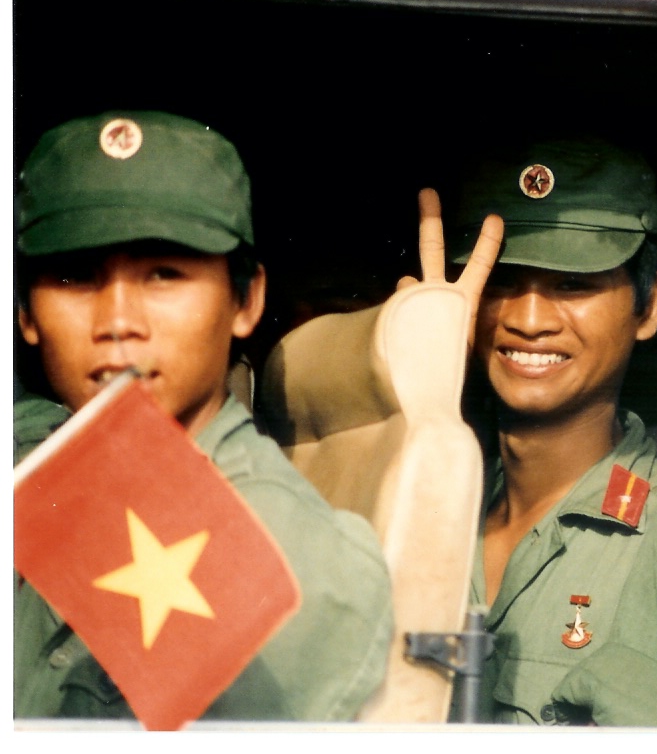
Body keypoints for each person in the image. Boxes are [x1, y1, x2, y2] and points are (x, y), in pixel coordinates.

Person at [13, 111, 394, 722]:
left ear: (246, 301)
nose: (118, 322)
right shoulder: (53, 466)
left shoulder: (289, 561)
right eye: (76, 277)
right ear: (27, 315)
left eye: (164, 275)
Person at [416, 137, 657, 725]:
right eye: (502, 281)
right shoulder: (416, 512)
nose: (528, 319)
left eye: (573, 284)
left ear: (649, 307)